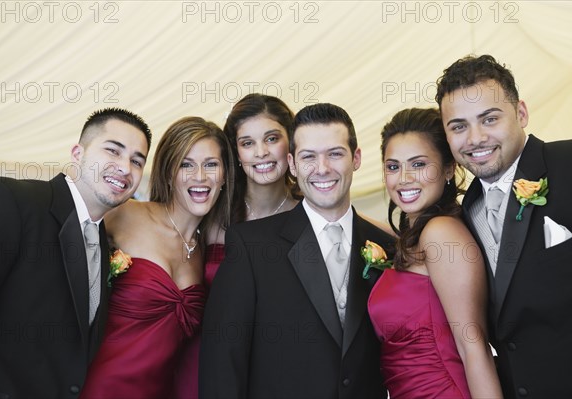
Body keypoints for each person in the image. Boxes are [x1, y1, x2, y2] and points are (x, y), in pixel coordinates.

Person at [199, 103, 395, 398]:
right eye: (308, 157)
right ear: (292, 163)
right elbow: (223, 363)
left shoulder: (386, 246)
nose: (323, 169)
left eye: (335, 154)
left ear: (356, 158)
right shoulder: (250, 244)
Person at [0, 108, 152, 398]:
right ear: (78, 153)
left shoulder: (105, 241)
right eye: (113, 151)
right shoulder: (10, 200)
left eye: (137, 161)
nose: (125, 168)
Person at [436, 54, 572, 398]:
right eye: (458, 127)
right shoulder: (466, 209)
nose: (475, 138)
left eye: (489, 119)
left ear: (522, 113)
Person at [79, 117, 234, 398]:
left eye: (211, 164)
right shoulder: (124, 214)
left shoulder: (210, 249)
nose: (199, 176)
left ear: (224, 175)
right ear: (168, 171)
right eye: (186, 164)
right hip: (98, 387)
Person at [368, 108, 503, 398]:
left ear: (448, 169)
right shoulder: (413, 239)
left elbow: (473, 346)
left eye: (418, 164)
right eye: (393, 167)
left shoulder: (441, 233)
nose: (403, 178)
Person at [174, 93, 299, 399]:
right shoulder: (209, 212)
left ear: (292, 144)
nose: (261, 152)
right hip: (203, 367)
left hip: (282, 372)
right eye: (247, 143)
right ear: (236, 152)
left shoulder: (310, 215)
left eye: (272, 138)